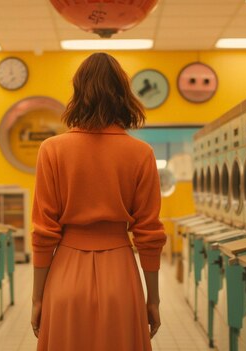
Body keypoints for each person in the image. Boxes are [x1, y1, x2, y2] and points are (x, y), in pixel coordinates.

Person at [30, 52, 167, 351]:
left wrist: (38, 297)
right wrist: (152, 299)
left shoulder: (52, 149)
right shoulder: (140, 153)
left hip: (65, 274)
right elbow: (149, 233)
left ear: (78, 93)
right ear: (122, 95)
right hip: (120, 275)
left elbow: (43, 232)